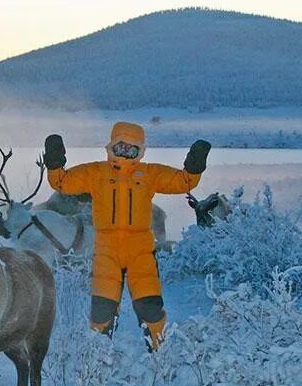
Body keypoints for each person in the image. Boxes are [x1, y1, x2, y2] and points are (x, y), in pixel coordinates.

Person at [43, 123, 211, 349]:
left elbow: (183, 182)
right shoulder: (95, 172)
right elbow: (61, 182)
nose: (125, 152)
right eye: (121, 146)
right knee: (102, 307)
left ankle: (159, 355)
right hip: (106, 249)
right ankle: (98, 357)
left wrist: (194, 165)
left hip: (140, 249)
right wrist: (55, 162)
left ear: (140, 151)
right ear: (112, 145)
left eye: (132, 148)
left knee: (149, 304)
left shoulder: (149, 173)